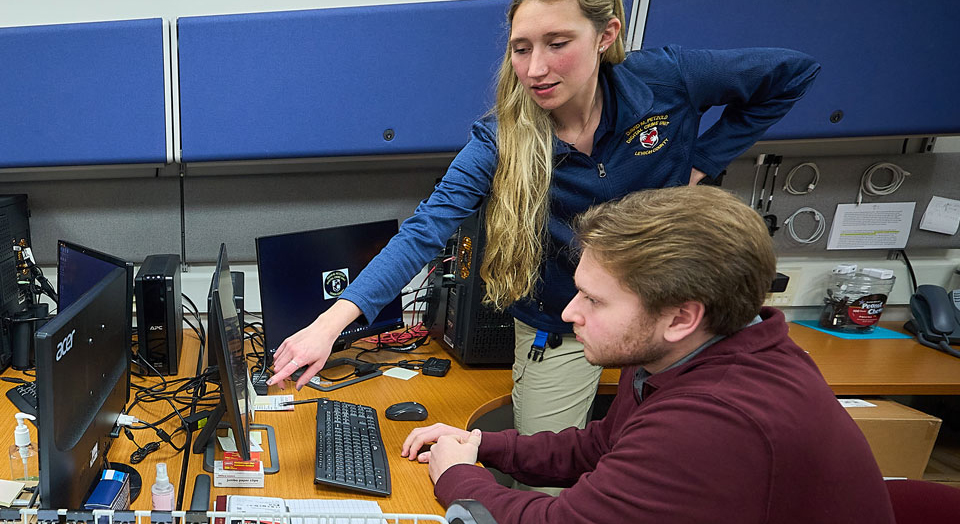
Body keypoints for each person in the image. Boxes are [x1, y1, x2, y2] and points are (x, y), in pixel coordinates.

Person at [400, 186, 900, 524]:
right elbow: (599, 445)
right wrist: (484, 446)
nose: (570, 312)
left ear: (681, 316)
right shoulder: (683, 354)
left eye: (594, 300)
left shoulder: (720, 419)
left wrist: (457, 478)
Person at [268, 0, 820, 438]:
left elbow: (793, 73)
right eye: (521, 48)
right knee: (546, 471)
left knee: (695, 454)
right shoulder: (501, 139)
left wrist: (701, 162)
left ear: (605, 36)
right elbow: (424, 232)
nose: (536, 69)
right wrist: (327, 326)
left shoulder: (668, 79)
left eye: (558, 44)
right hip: (564, 320)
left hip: (672, 312)